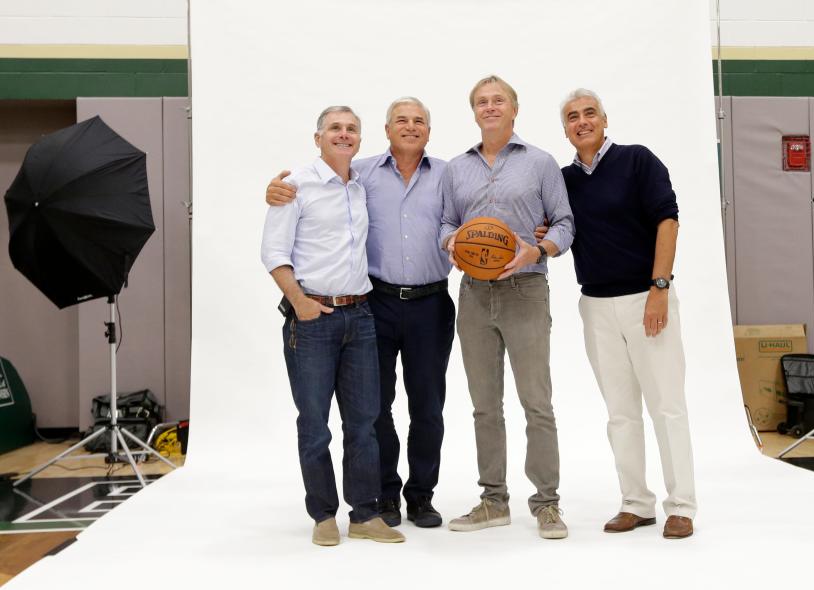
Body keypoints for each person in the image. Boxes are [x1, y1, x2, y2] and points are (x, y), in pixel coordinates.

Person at [266, 98, 453, 528]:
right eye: (400, 121)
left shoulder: (447, 173)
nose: (410, 127)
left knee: (427, 406)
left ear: (428, 130)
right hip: (377, 305)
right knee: (373, 410)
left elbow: (476, 209)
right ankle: (381, 497)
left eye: (419, 121)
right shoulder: (357, 172)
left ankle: (420, 497)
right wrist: (275, 190)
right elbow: (283, 232)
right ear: (386, 131)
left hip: (428, 304)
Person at [260, 106, 404, 546]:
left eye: (351, 129)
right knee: (316, 423)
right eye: (335, 129)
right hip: (313, 320)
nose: (344, 135)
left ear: (360, 139)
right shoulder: (295, 186)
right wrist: (300, 302)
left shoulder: (359, 186)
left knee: (364, 421)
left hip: (360, 317)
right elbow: (273, 253)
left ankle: (364, 514)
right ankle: (323, 514)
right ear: (318, 137)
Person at [440, 75, 575, 540]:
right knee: (484, 405)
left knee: (536, 402)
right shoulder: (456, 168)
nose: (490, 107)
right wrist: (451, 239)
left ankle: (548, 503)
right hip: (474, 295)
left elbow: (564, 222)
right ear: (474, 112)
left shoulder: (540, 162)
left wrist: (538, 251)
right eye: (482, 101)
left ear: (514, 109)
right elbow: (445, 223)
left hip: (525, 291)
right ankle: (493, 501)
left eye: (499, 100)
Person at [558, 89, 697, 539]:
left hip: (646, 298)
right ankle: (636, 503)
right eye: (572, 117)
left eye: (589, 113)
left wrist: (660, 287)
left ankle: (681, 506)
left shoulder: (638, 160)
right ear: (565, 128)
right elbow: (560, 227)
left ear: (604, 118)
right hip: (595, 305)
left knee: (667, 407)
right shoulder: (563, 180)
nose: (582, 121)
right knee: (620, 412)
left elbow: (668, 221)